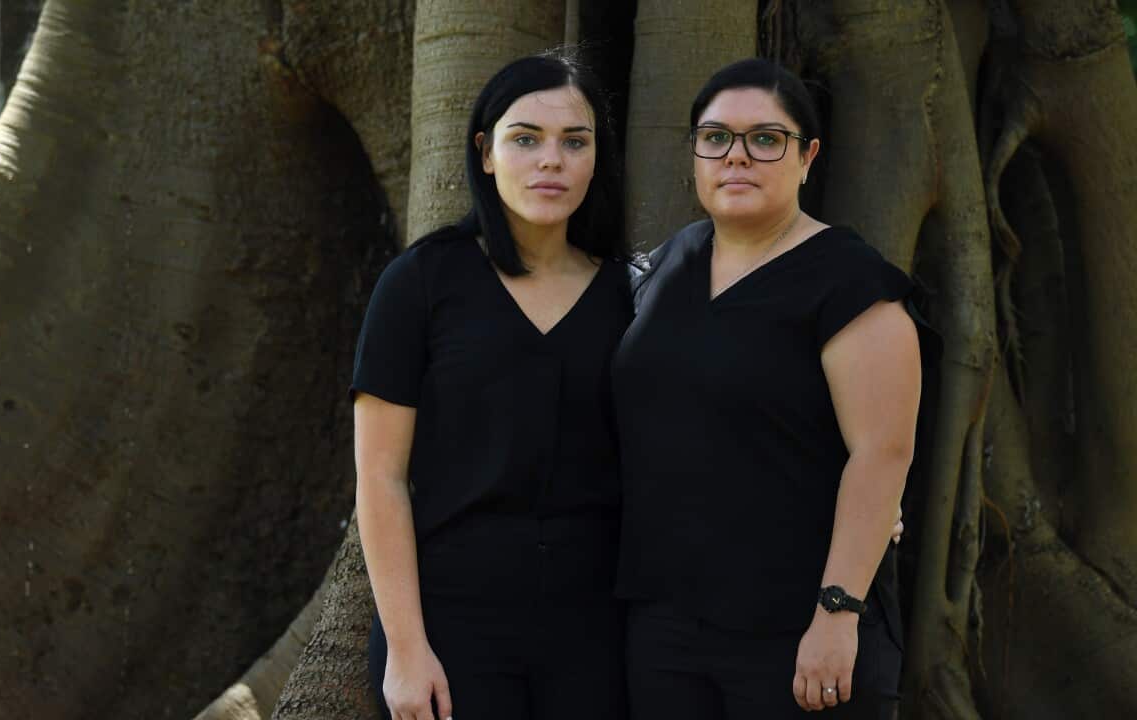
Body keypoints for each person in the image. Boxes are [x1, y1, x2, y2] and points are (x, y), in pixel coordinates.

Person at [613, 58, 937, 718]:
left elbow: (882, 455)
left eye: (765, 139)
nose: (738, 157)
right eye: (716, 138)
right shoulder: (668, 265)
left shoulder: (851, 285)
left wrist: (837, 614)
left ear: (807, 156)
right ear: (694, 152)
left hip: (800, 628)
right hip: (665, 628)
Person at [351, 52, 632, 720]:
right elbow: (379, 477)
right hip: (450, 630)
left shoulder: (633, 294)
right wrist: (407, 649)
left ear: (598, 158)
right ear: (485, 152)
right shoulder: (421, 284)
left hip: (596, 635)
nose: (551, 161)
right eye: (525, 138)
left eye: (575, 142)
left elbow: (714, 425)